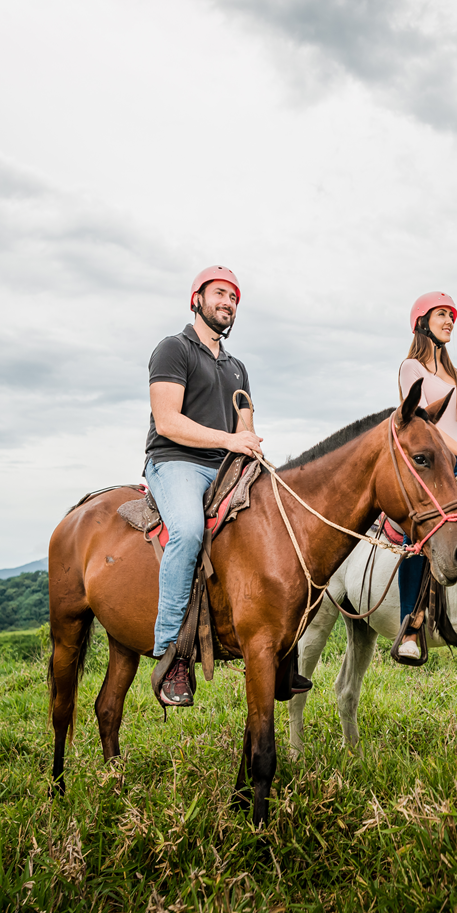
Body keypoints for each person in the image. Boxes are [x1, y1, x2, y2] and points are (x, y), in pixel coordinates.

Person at [145, 266, 263, 706]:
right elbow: (167, 420)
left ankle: (276, 649)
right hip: (176, 461)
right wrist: (231, 440)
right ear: (197, 298)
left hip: (227, 466)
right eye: (219, 293)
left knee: (271, 522)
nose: (228, 302)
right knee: (190, 531)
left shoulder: (237, 368)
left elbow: (245, 426)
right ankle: (171, 653)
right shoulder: (173, 349)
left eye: (234, 297)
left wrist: (248, 446)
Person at [394, 292, 457, 661]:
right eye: (442, 315)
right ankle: (410, 624)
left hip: (452, 461)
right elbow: (426, 429)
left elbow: (449, 423)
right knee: (420, 534)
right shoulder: (412, 368)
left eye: (451, 316)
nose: (449, 321)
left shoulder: (449, 371)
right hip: (427, 465)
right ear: (423, 322)